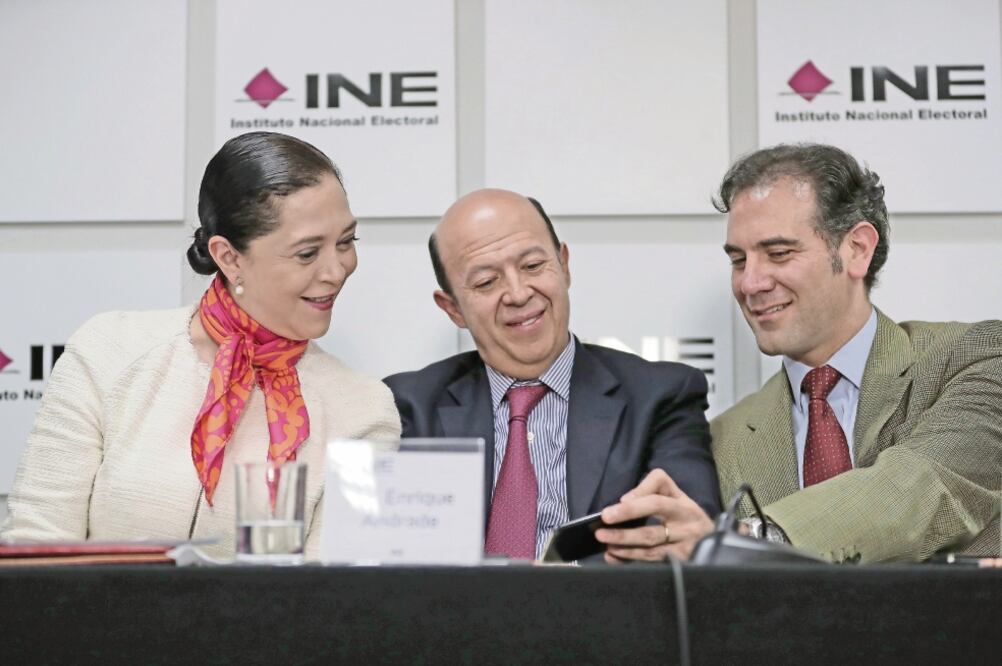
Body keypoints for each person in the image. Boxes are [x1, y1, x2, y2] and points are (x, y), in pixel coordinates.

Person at [1, 132, 400, 559]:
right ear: (228, 257)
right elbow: (34, 550)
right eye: (307, 253)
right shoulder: (108, 352)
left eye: (346, 242)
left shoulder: (364, 409)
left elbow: (342, 595)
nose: (337, 270)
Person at [597, 143, 1002, 564]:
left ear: (857, 249)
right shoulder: (720, 442)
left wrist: (742, 540)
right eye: (738, 260)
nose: (750, 283)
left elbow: (921, 489)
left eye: (778, 254)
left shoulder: (977, 358)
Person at [383, 188, 720, 560]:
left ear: (564, 264)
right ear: (453, 309)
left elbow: (688, 533)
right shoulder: (410, 406)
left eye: (532, 266)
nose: (518, 293)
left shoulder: (660, 395)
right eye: (485, 282)